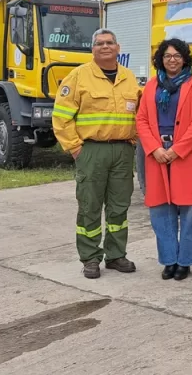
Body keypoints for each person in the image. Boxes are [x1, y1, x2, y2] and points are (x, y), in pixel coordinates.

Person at [52, 28, 142, 279]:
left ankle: (116, 255)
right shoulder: (78, 77)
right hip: (91, 150)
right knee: (90, 206)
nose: (105, 46)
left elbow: (140, 113)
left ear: (118, 47)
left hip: (123, 150)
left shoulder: (129, 78)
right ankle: (90, 258)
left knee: (119, 206)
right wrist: (75, 148)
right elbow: (60, 117)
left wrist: (133, 140)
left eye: (109, 42)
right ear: (92, 49)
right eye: (99, 43)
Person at [135, 38, 192, 281]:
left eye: (177, 55)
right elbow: (142, 119)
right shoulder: (152, 86)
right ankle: (169, 260)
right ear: (160, 59)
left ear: (185, 58)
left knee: (189, 210)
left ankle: (185, 261)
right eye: (168, 56)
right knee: (160, 209)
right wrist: (155, 148)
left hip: (185, 153)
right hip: (157, 153)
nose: (172, 59)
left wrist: (178, 149)